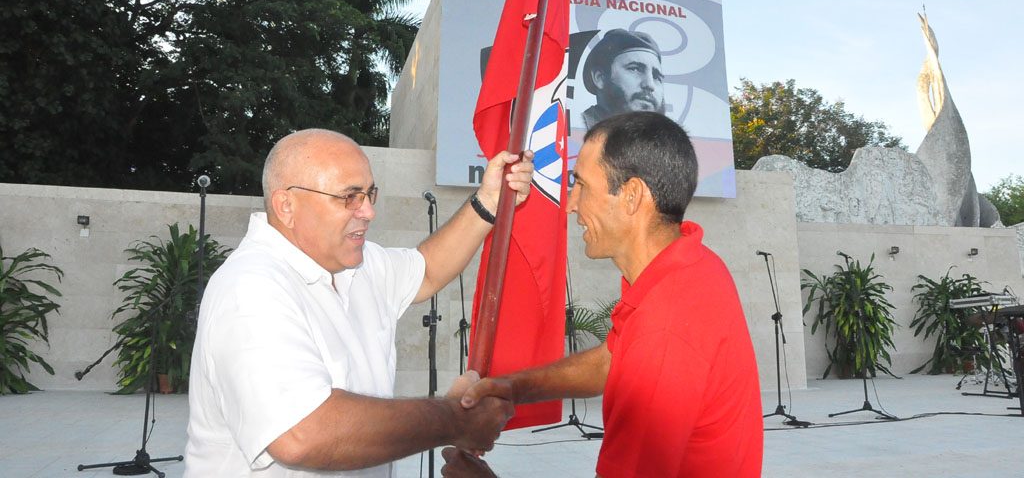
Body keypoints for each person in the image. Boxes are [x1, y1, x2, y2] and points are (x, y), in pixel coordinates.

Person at [185, 128, 534, 477]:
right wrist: (455, 418)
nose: (368, 211)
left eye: (369, 193)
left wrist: (488, 202)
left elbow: (427, 271)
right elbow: (302, 434)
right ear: (286, 206)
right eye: (349, 196)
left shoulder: (360, 263)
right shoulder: (250, 288)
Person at [442, 111, 763, 478]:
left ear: (631, 196)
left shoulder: (664, 324)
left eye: (581, 185)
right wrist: (511, 388)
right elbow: (613, 360)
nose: (571, 204)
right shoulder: (689, 264)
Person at [579, 28, 666, 130]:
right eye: (635, 69)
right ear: (600, 78)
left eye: (657, 77)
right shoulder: (577, 129)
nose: (650, 85)